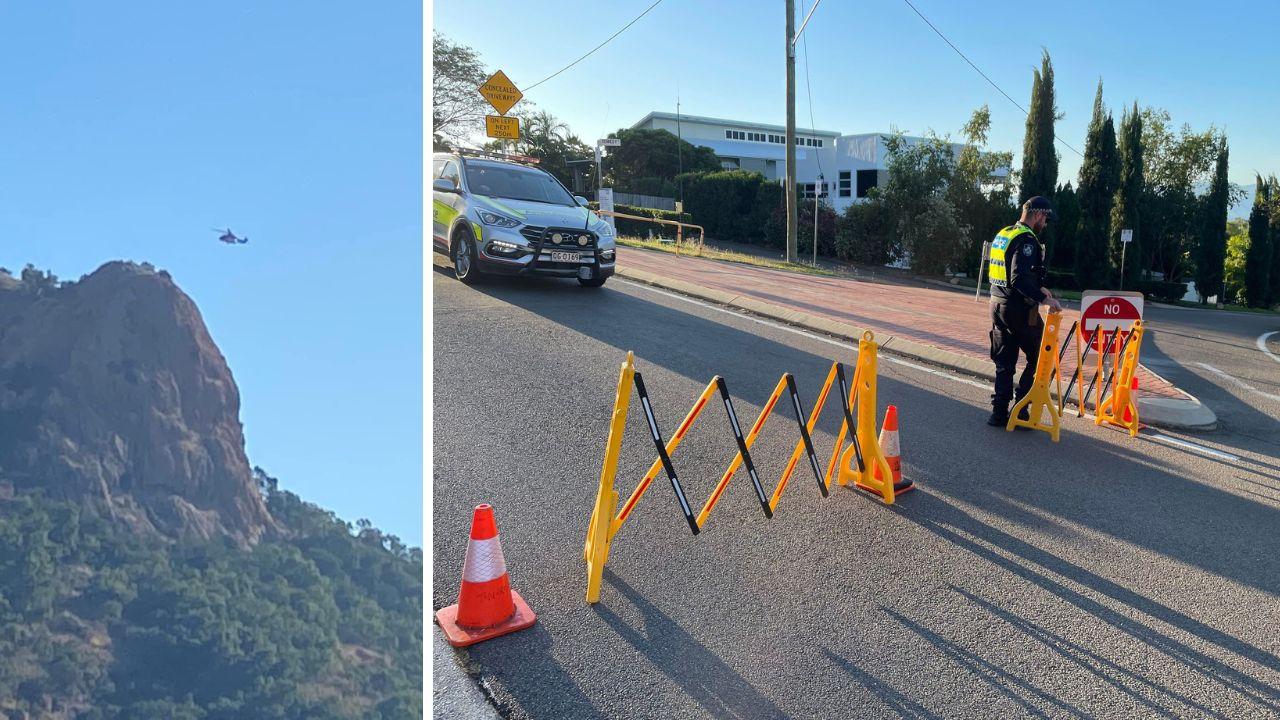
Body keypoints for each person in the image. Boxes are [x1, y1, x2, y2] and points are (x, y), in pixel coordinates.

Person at [986, 196, 1063, 427]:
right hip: (1018, 310)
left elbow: (1008, 274)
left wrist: (1038, 287)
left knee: (1005, 359)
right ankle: (1021, 409)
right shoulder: (1027, 240)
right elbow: (1018, 278)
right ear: (1038, 215)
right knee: (1042, 357)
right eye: (1046, 219)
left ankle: (999, 412)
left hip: (996, 305)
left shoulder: (1005, 233)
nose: (1045, 224)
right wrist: (1044, 299)